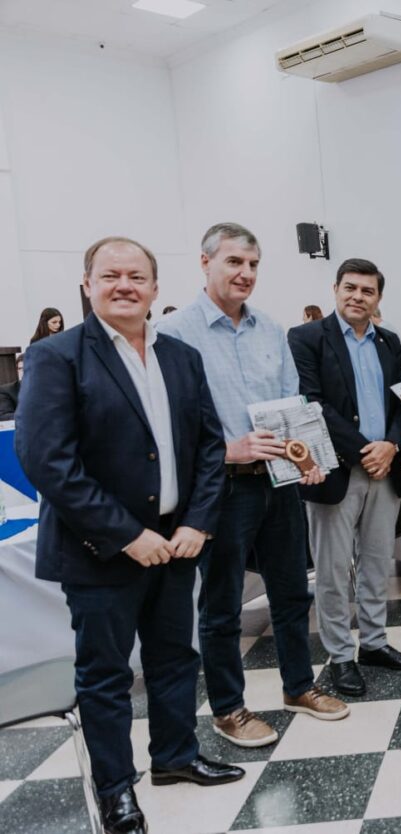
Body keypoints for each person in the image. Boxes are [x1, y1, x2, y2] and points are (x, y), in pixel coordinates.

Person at [16, 237, 242, 834]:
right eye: (111, 275)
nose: (125, 285)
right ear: (88, 283)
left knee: (173, 658)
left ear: (155, 288)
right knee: (106, 675)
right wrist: (125, 535)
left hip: (177, 542)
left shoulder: (181, 356)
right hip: (100, 551)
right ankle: (117, 790)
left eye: (137, 276)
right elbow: (47, 461)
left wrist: (197, 521)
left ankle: (175, 756)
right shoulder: (58, 356)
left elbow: (210, 447)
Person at [157, 222, 349, 747]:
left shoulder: (270, 329)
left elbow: (294, 403)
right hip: (220, 488)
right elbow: (168, 426)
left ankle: (298, 686)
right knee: (221, 606)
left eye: (253, 265)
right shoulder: (174, 335)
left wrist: (308, 457)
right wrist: (226, 449)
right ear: (205, 263)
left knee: (291, 591)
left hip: (280, 483)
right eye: (234, 262)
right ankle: (229, 708)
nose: (245, 274)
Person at [288, 258, 401, 698]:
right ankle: (341, 656)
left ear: (378, 298)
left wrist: (392, 445)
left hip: (386, 469)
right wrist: (367, 449)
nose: (357, 296)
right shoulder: (307, 338)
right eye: (350, 288)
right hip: (337, 472)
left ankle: (374, 643)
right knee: (331, 569)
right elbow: (314, 402)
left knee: (378, 561)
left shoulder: (388, 341)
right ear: (335, 289)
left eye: (367, 291)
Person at [0, 352, 19, 421]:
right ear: (17, 370)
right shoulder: (6, 390)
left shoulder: (49, 387)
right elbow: (4, 416)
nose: (25, 371)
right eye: (21, 368)